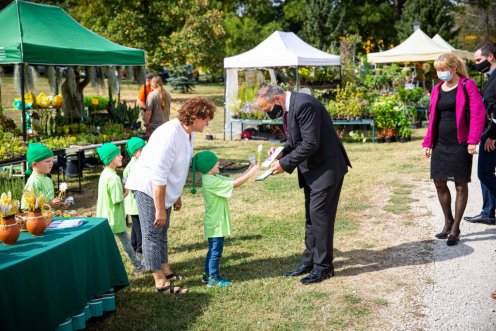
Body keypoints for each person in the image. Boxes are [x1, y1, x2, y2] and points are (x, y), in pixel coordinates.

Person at [254, 84, 351, 285]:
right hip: (312, 171)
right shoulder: (291, 107)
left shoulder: (304, 105)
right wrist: (281, 152)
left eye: (267, 109)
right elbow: (295, 140)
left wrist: (284, 164)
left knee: (320, 218)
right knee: (311, 217)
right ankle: (309, 261)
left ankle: (324, 267)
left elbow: (310, 143)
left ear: (277, 100)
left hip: (326, 169)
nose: (267, 114)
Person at [125, 97, 216, 295]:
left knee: (163, 228)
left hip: (162, 188)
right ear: (194, 117)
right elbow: (158, 175)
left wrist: (176, 195)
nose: (208, 123)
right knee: (152, 231)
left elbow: (179, 167)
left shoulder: (188, 132)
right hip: (147, 186)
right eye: (206, 118)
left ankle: (164, 268)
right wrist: (159, 208)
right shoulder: (169, 134)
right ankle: (158, 279)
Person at [422, 53, 486, 246]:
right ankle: (448, 220)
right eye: (438, 70)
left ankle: (456, 228)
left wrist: (473, 140)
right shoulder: (436, 89)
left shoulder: (467, 85)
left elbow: (478, 112)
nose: (440, 73)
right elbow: (433, 117)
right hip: (440, 143)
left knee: (460, 185)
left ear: (454, 68)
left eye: (443, 69)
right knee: (439, 182)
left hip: (460, 142)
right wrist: (427, 142)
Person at [191, 150, 260, 288]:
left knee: (212, 250)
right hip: (216, 224)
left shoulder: (212, 177)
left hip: (215, 222)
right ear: (208, 166)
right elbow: (235, 184)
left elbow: (232, 181)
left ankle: (207, 275)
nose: (219, 162)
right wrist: (252, 173)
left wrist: (248, 169)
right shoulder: (211, 181)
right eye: (216, 161)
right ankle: (214, 279)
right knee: (215, 251)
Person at [96, 143, 143, 275]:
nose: (121, 156)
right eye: (117, 155)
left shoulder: (105, 174)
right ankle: (138, 265)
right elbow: (117, 199)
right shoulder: (114, 177)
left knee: (111, 244)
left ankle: (136, 264)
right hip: (115, 217)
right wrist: (126, 191)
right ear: (110, 159)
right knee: (126, 244)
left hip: (105, 216)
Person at [464, 42, 496, 225]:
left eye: (479, 59)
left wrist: (493, 134)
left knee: (484, 173)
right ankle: (488, 212)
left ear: (490, 57)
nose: (476, 63)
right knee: (487, 172)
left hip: (492, 135)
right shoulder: (489, 76)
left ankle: (488, 212)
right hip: (488, 132)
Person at [123, 137, 147, 259]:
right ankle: (140, 250)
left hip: (133, 203)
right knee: (140, 228)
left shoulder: (135, 162)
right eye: (141, 149)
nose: (144, 151)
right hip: (135, 202)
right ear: (134, 152)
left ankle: (133, 246)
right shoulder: (134, 165)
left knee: (135, 226)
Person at [22, 142, 63, 210]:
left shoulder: (48, 179)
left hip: (49, 218)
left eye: (52, 160)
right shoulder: (33, 182)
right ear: (34, 164)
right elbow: (27, 208)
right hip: (39, 220)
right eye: (47, 161)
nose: (51, 164)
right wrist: (49, 205)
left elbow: (49, 201)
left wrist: (58, 205)